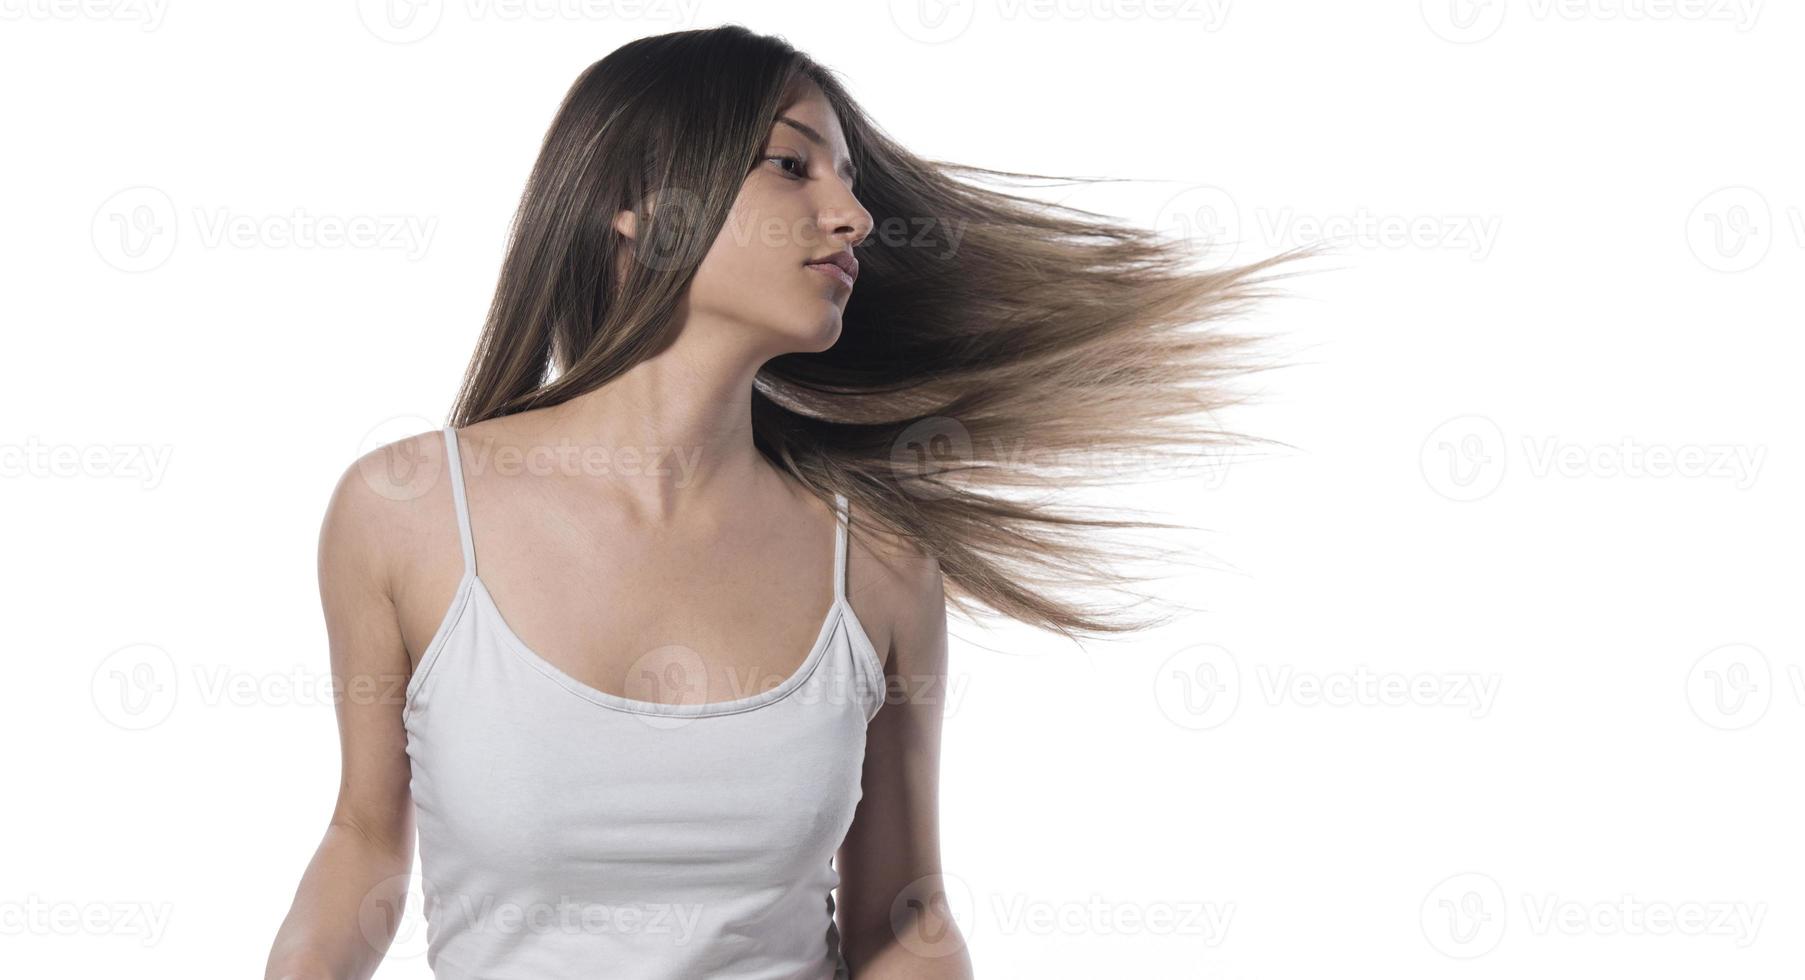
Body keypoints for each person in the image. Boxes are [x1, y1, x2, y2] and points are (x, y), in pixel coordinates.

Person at [265, 24, 1311, 979]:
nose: (851, 214)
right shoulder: (405, 512)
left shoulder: (881, 561)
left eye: (848, 181)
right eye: (790, 164)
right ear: (638, 199)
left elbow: (903, 919)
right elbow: (364, 839)